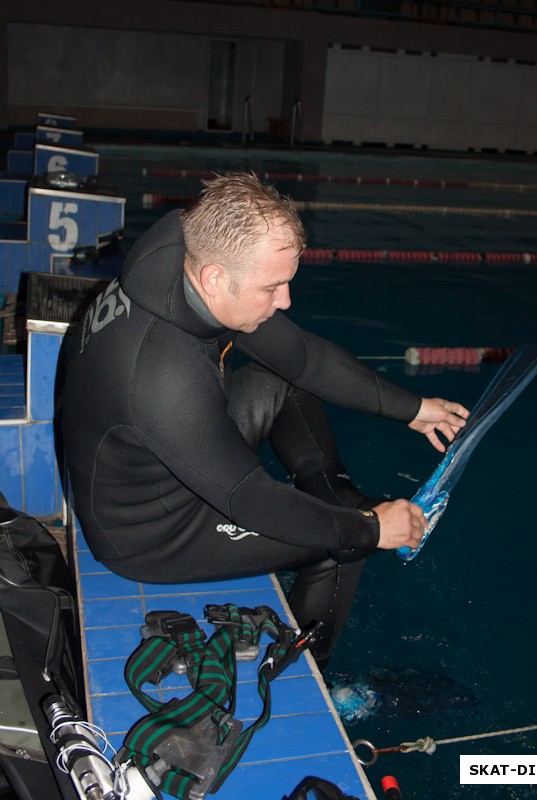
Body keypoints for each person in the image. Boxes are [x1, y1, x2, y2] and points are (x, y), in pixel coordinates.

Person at [60, 172, 468, 669]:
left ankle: (338, 498)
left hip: (155, 456)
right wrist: (366, 530)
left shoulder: (178, 254)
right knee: (335, 545)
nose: (286, 301)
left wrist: (413, 409)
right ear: (214, 278)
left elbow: (303, 358)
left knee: (282, 383)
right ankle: (308, 667)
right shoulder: (163, 376)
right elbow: (249, 499)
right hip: (151, 534)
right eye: (272, 287)